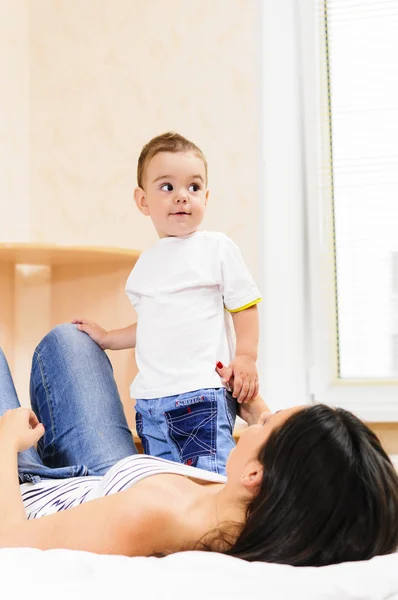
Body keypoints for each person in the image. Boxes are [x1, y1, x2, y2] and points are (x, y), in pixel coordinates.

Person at [0, 323, 397, 567]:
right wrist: (258, 411)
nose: (260, 420)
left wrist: (7, 439)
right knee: (70, 341)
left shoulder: (151, 515)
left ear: (255, 474)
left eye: (268, 424)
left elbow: (10, 543)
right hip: (107, 477)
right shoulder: (255, 508)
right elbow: (303, 468)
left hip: (28, 493)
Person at [73, 132, 262, 475]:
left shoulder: (216, 248)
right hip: (151, 402)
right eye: (167, 187)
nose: (182, 198)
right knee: (164, 486)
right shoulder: (146, 263)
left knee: (208, 483)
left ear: (206, 196)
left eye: (193, 188)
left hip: (200, 395)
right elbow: (151, 324)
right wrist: (108, 337)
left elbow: (243, 305)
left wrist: (246, 356)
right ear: (143, 201)